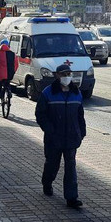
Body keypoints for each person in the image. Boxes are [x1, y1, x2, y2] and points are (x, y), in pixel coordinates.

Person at [35, 64, 86, 209]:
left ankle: (71, 198)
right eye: (64, 74)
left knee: (71, 166)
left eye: (69, 74)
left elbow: (80, 115)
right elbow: (40, 114)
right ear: (57, 75)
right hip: (54, 138)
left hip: (71, 137)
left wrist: (82, 132)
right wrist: (49, 130)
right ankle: (47, 182)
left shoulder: (76, 93)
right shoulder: (48, 93)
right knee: (52, 164)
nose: (67, 77)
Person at [0, 39, 18, 111]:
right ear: (8, 46)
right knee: (7, 83)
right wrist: (13, 71)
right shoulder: (13, 54)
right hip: (9, 74)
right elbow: (16, 64)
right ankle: (9, 91)